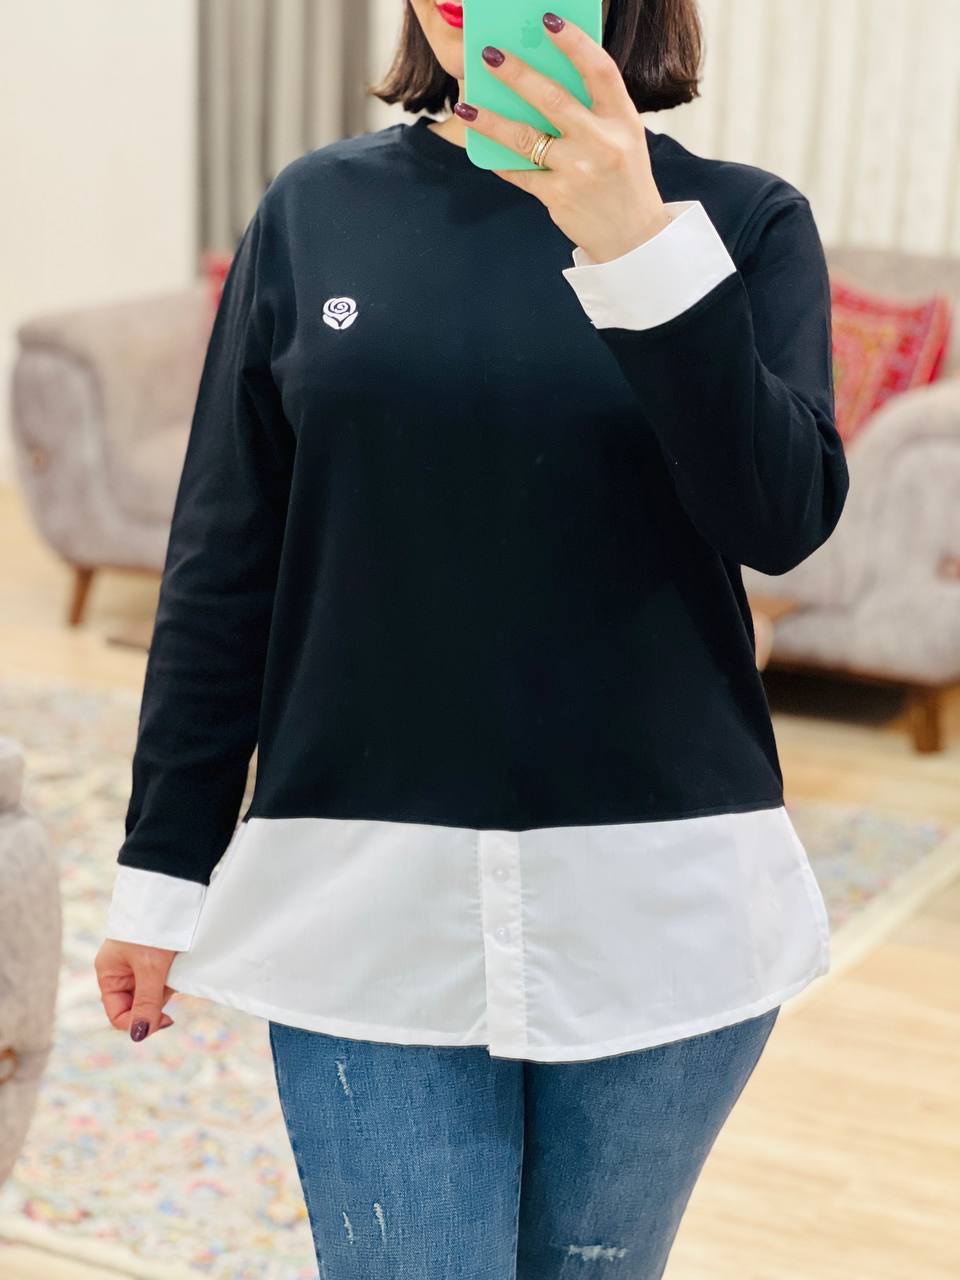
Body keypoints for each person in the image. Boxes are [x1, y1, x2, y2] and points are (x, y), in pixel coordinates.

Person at [95, 1, 847, 1275]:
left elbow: (781, 519)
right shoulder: (312, 211)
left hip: (661, 916)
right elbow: (224, 564)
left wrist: (638, 244)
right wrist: (164, 871)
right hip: (361, 907)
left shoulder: (743, 221)